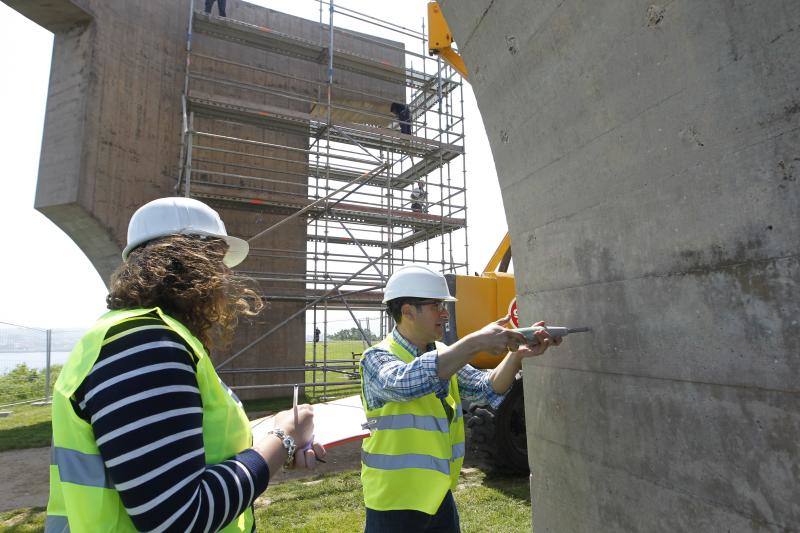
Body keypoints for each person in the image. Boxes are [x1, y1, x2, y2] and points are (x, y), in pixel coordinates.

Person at [45, 197, 325, 532]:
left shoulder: (139, 337)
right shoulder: (145, 345)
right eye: (219, 264)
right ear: (196, 265)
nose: (226, 278)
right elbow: (179, 518)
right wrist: (285, 438)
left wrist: (269, 449)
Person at [359, 264, 562, 532]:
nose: (445, 313)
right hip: (395, 502)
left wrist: (517, 355)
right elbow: (404, 383)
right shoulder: (376, 358)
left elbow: (486, 387)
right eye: (436, 306)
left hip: (438, 496)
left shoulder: (444, 353)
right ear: (407, 311)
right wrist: (474, 343)